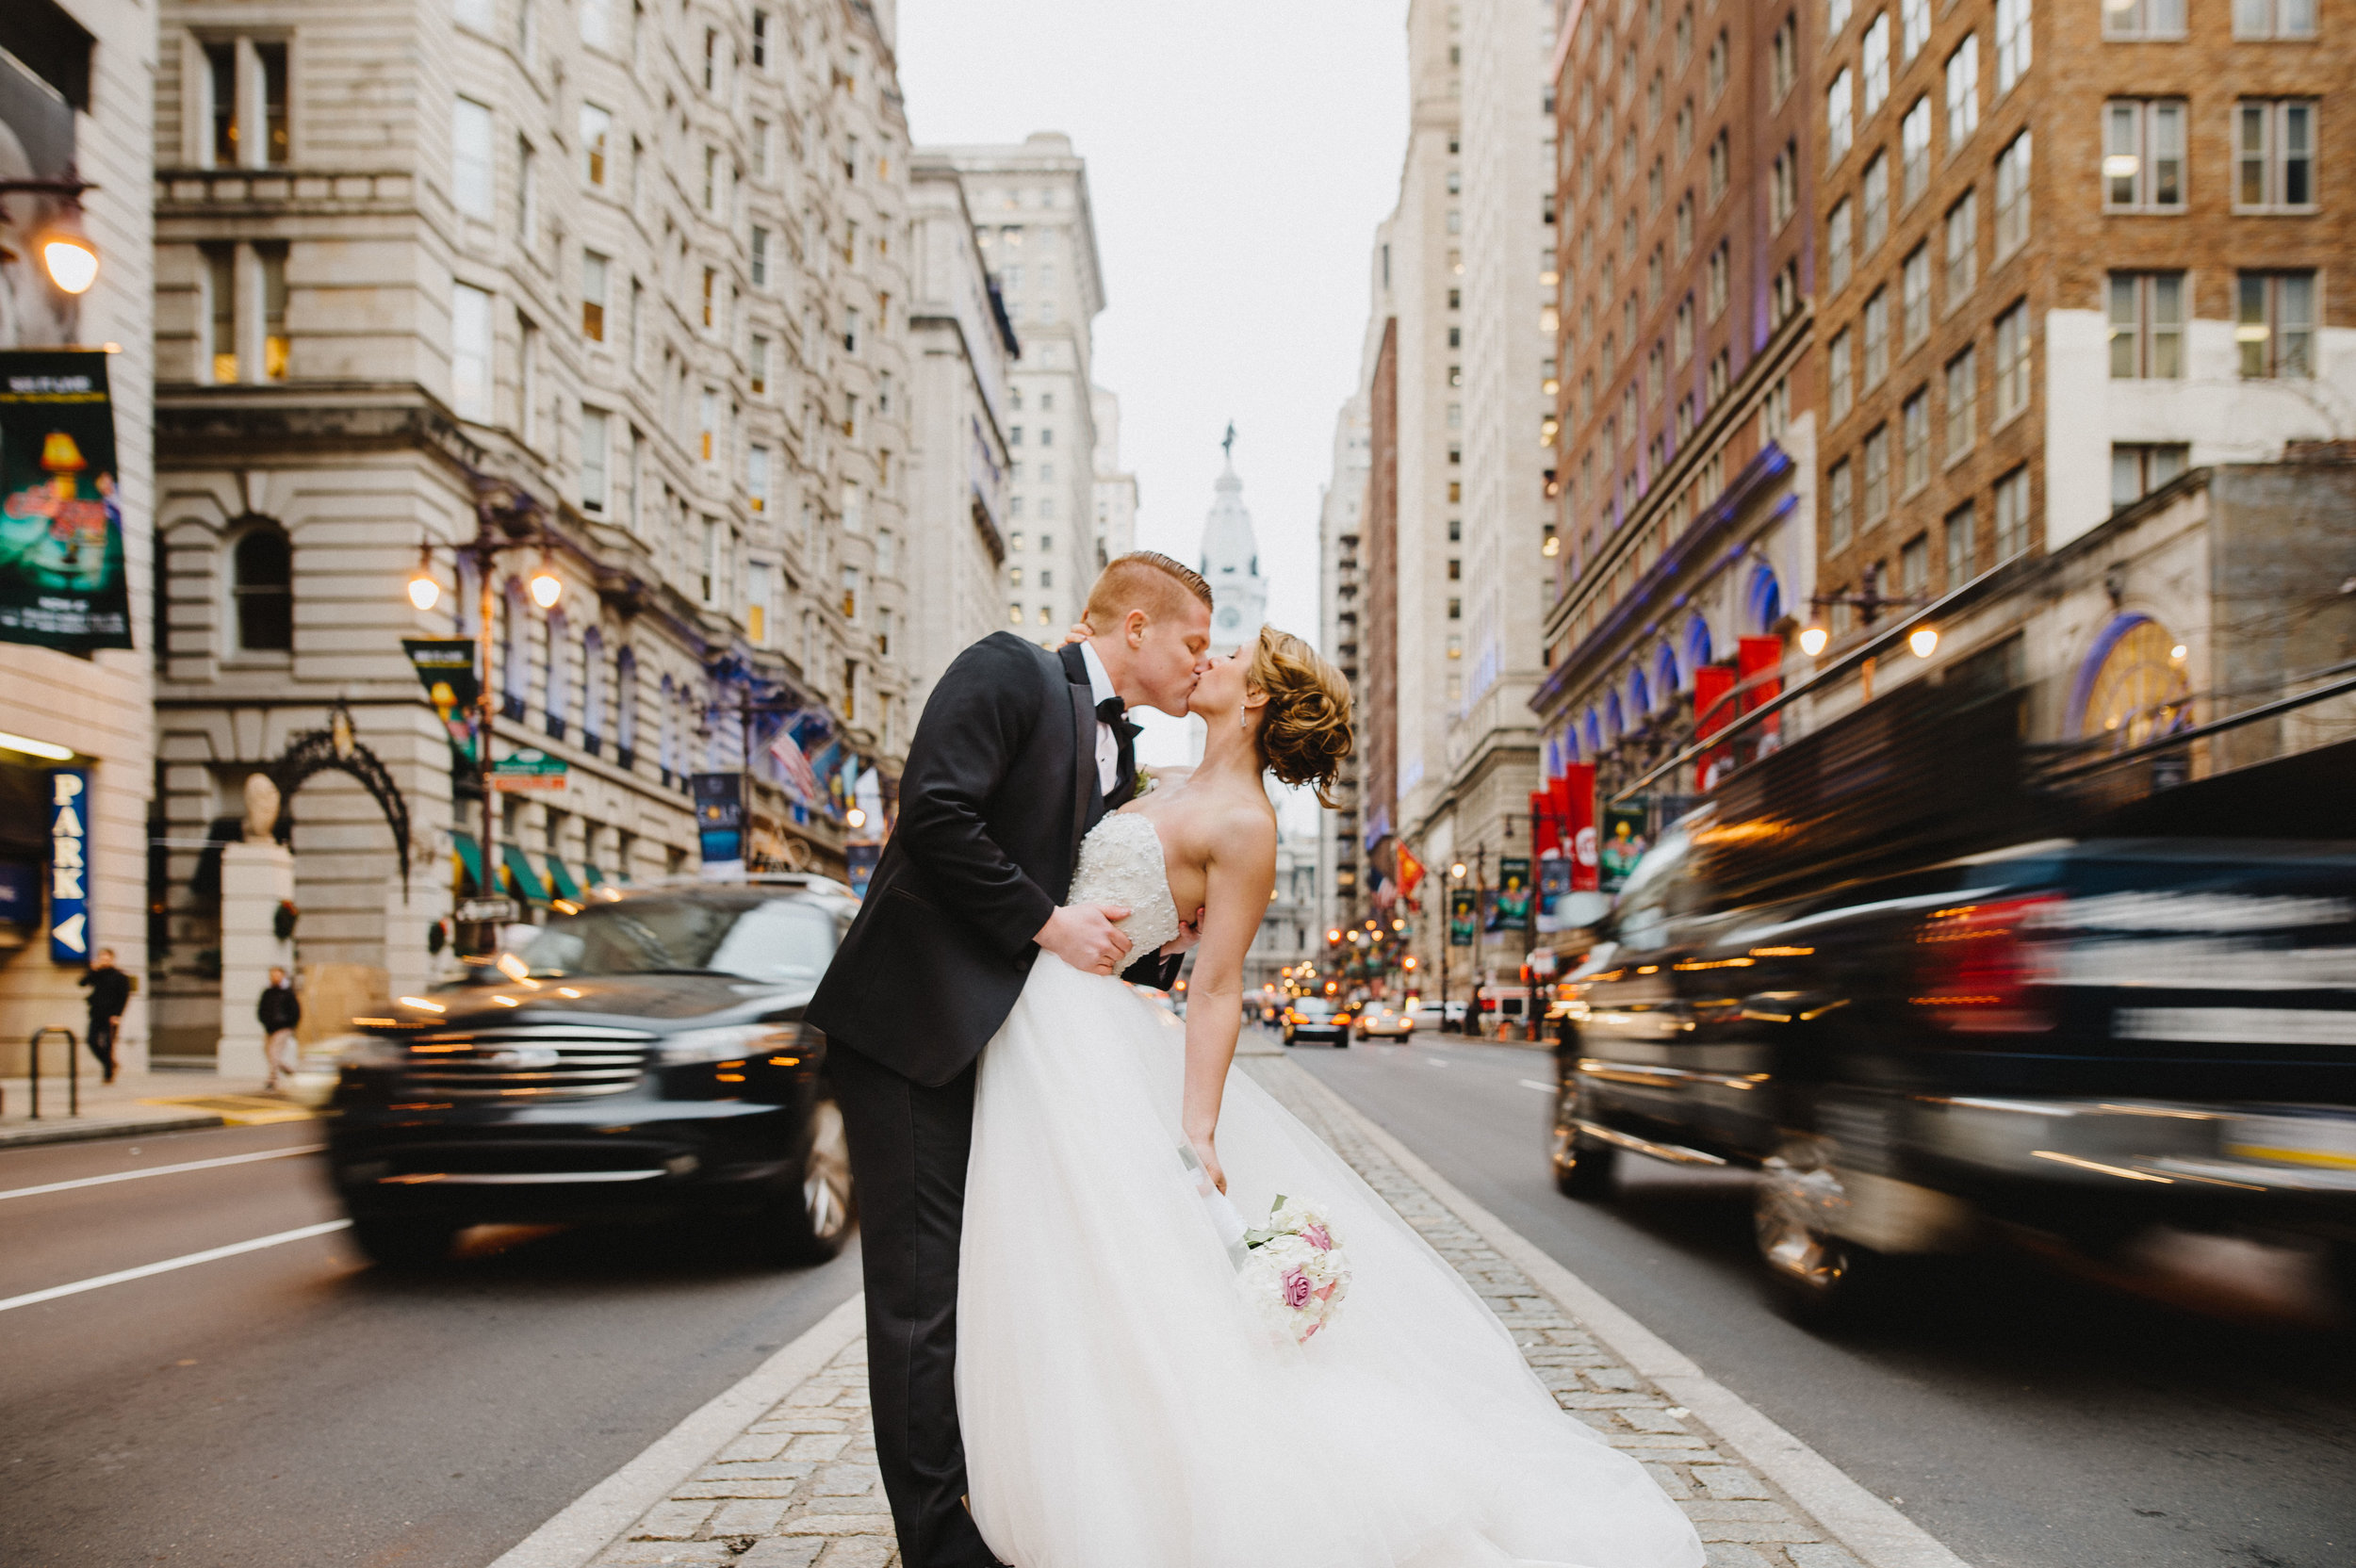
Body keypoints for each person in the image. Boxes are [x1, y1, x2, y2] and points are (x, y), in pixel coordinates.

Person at [948, 625, 1704, 1568]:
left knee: (1109, 1267)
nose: (1207, 653)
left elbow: (1218, 986)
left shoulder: (1245, 825)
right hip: (1054, 1019)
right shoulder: (1163, 776)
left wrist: (1197, 1126)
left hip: (1082, 1034)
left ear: (1257, 695)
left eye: (1227, 650)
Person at [805, 551, 1213, 1568]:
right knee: (917, 1301)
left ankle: (976, 1502)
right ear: (1133, 624)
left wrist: (1151, 935)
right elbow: (936, 812)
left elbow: (1068, 887)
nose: (1197, 663)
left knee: (971, 1289)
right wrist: (1048, 924)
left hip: (988, 1040)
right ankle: (940, 1547)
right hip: (907, 1028)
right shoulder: (1007, 668)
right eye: (1191, 641)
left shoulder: (1113, 749)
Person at [77, 949, 131, 1086]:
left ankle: (108, 1074)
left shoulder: (120, 976)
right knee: (91, 1041)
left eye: (107, 959)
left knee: (108, 1045)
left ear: (112, 959)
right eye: (102, 959)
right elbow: (82, 983)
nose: (104, 961)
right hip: (96, 1014)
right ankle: (110, 1064)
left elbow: (123, 997)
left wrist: (117, 1015)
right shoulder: (97, 974)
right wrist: (92, 970)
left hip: (110, 1016)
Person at [258, 966, 301, 1091]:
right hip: (269, 1028)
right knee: (269, 1053)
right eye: (273, 975)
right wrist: (264, 1021)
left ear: (283, 976)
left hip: (283, 1028)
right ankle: (289, 1070)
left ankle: (272, 1080)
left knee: (274, 1052)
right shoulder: (267, 992)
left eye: (277, 975)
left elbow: (295, 1011)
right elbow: (261, 1009)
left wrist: (290, 1025)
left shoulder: (288, 992)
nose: (275, 977)